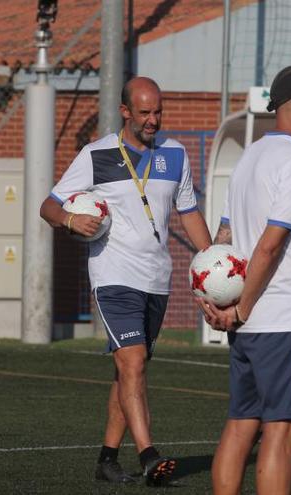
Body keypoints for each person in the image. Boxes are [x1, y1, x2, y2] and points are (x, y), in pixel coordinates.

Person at [39, 76, 211, 486]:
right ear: (126, 111)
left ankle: (107, 459)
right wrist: (69, 220)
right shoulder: (96, 154)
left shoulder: (175, 154)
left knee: (128, 370)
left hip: (157, 278)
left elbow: (189, 214)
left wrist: (211, 265)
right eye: (145, 113)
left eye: (158, 112)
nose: (153, 120)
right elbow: (49, 205)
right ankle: (150, 455)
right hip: (114, 276)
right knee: (132, 363)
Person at [200, 65, 291, 494]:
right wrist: (240, 305)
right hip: (282, 318)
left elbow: (223, 241)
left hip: (248, 325)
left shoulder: (249, 158)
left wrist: (221, 303)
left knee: (240, 424)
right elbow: (269, 245)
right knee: (281, 435)